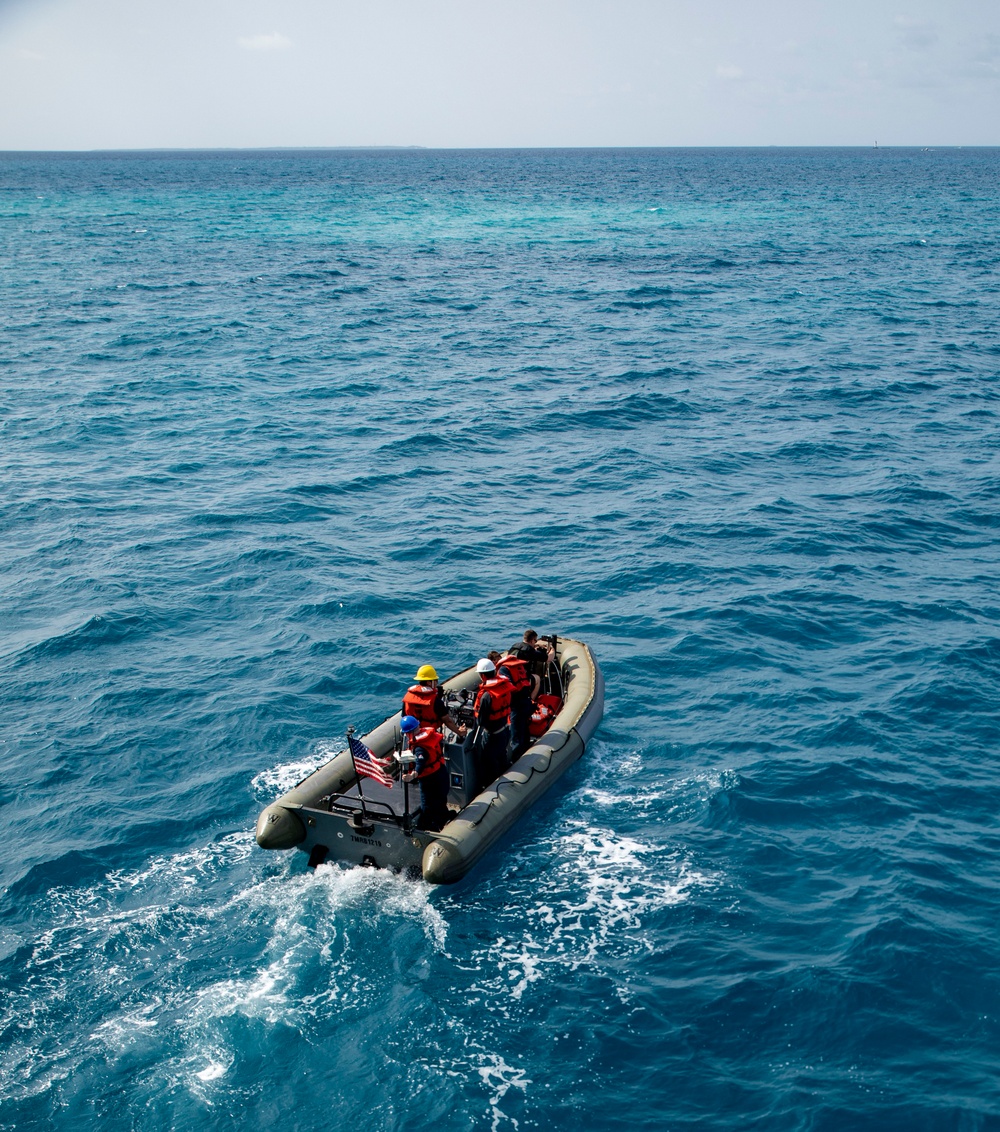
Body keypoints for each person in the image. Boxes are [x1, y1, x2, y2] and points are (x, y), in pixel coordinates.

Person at [465, 658, 513, 787]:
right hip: (505, 731)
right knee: (502, 757)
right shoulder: (505, 686)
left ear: (482, 675)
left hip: (492, 736)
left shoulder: (487, 695)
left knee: (488, 761)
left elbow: (481, 721)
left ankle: (489, 786)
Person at [400, 715, 451, 832]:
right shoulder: (428, 736)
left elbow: (420, 764)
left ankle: (425, 827)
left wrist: (412, 775)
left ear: (408, 733)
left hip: (429, 779)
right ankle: (443, 818)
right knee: (440, 799)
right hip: (440, 772)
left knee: (427, 805)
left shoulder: (419, 748)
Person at [402, 664, 466, 737]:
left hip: (412, 735)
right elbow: (447, 721)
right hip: (429, 735)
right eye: (435, 680)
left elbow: (404, 716)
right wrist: (459, 732)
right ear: (429, 682)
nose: (436, 683)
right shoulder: (435, 701)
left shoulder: (408, 697)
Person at [497, 646, 533, 759]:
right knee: (524, 727)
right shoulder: (519, 666)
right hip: (525, 701)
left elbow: (507, 687)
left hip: (516, 705)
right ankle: (526, 748)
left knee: (516, 733)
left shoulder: (503, 669)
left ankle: (516, 757)